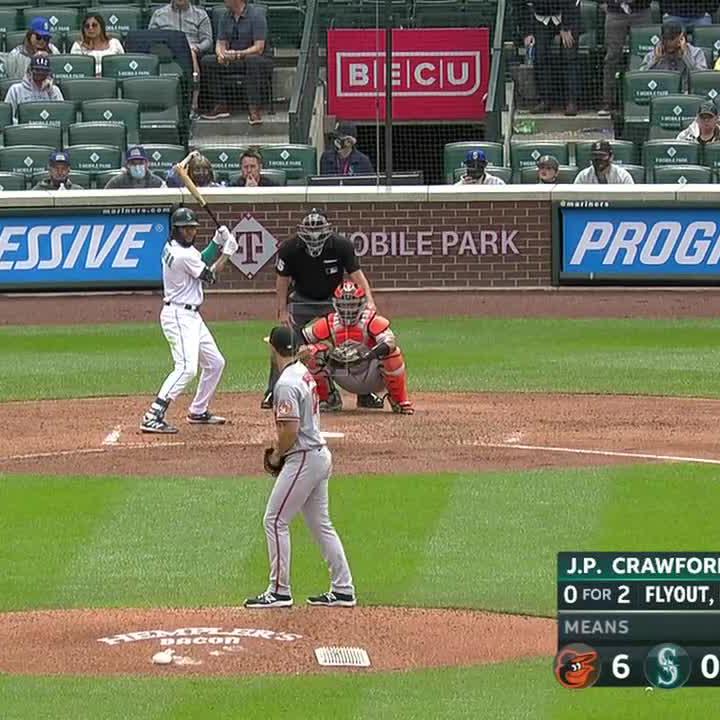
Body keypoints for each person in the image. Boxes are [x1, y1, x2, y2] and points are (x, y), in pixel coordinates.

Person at [244, 325, 356, 609]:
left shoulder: (285, 384)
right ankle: (343, 589)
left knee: (274, 520)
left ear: (274, 349)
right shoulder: (301, 372)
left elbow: (290, 430)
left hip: (304, 457)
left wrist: (277, 455)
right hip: (318, 456)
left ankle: (279, 591)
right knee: (321, 524)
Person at [262, 208, 378, 412]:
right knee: (283, 338)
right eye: (310, 230)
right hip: (301, 299)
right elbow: (282, 281)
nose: (314, 235)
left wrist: (369, 301)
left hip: (334, 300)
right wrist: (282, 310)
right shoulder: (289, 248)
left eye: (318, 229)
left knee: (354, 337)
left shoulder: (342, 245)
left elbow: (357, 275)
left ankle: (364, 392)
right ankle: (273, 390)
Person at [140, 208, 238, 433]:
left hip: (191, 316)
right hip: (179, 316)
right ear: (175, 229)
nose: (190, 232)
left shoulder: (176, 247)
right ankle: (153, 415)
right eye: (186, 229)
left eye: (193, 228)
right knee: (186, 368)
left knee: (215, 363)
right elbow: (209, 275)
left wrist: (216, 242)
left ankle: (198, 410)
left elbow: (199, 260)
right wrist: (227, 252)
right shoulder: (181, 254)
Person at [300, 280, 414, 415]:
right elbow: (302, 338)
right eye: (344, 305)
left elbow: (390, 343)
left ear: (362, 304)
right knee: (312, 352)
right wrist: (325, 353)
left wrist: (366, 356)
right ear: (336, 304)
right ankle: (328, 398)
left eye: (352, 305)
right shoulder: (330, 322)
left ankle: (399, 400)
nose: (348, 310)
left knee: (393, 354)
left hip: (370, 373)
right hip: (343, 372)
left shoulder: (370, 320)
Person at [200, 0, 273, 124]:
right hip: (234, 58)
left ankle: (254, 109)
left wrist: (238, 54)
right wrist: (221, 54)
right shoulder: (225, 17)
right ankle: (221, 105)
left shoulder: (256, 16)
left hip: (258, 59)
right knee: (207, 61)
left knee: (252, 60)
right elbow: (220, 43)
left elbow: (259, 48)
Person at [149, 0, 212, 114]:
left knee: (190, 53)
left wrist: (196, 47)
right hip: (168, 52)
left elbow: (208, 40)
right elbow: (150, 39)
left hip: (192, 51)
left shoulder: (200, 14)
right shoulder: (159, 14)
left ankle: (193, 104)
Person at [522, 0, 579, 116]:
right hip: (541, 18)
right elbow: (520, 6)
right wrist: (527, 32)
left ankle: (571, 102)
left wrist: (566, 27)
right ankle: (545, 101)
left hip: (567, 15)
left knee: (569, 54)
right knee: (540, 56)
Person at [600, 0, 652, 115]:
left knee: (645, 56)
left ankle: (645, 99)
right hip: (615, 12)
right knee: (612, 57)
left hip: (641, 11)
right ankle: (608, 102)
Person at [639, 22, 707, 89]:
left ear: (681, 38)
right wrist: (655, 60)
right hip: (663, 92)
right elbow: (639, 78)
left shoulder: (696, 53)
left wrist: (686, 56)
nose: (668, 42)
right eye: (665, 38)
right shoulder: (654, 54)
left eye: (672, 39)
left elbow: (701, 79)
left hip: (687, 92)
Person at [4, 54, 64, 120]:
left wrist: (51, 92)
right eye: (37, 71)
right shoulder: (15, 90)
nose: (40, 74)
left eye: (43, 71)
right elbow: (7, 117)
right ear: (29, 71)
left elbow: (62, 115)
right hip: (25, 126)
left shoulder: (54, 90)